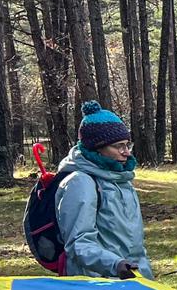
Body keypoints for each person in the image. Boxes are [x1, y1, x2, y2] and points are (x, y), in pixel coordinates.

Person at [55, 101, 153, 280]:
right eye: (118, 146)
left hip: (132, 278)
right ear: (97, 148)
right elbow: (78, 243)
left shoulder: (122, 179)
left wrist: (143, 272)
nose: (126, 153)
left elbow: (132, 242)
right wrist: (115, 265)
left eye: (127, 145)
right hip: (98, 284)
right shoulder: (81, 183)